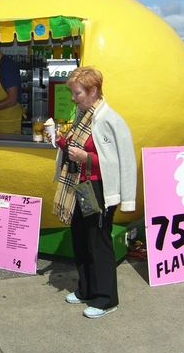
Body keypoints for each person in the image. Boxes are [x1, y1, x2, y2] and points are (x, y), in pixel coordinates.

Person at [49, 66, 137, 319]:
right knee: (81, 237)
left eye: (77, 93)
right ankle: (86, 289)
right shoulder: (83, 114)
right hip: (82, 186)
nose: (73, 98)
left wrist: (86, 156)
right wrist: (61, 141)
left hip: (99, 188)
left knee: (99, 242)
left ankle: (106, 298)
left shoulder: (111, 119)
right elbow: (76, 147)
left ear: (93, 90)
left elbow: (122, 161)